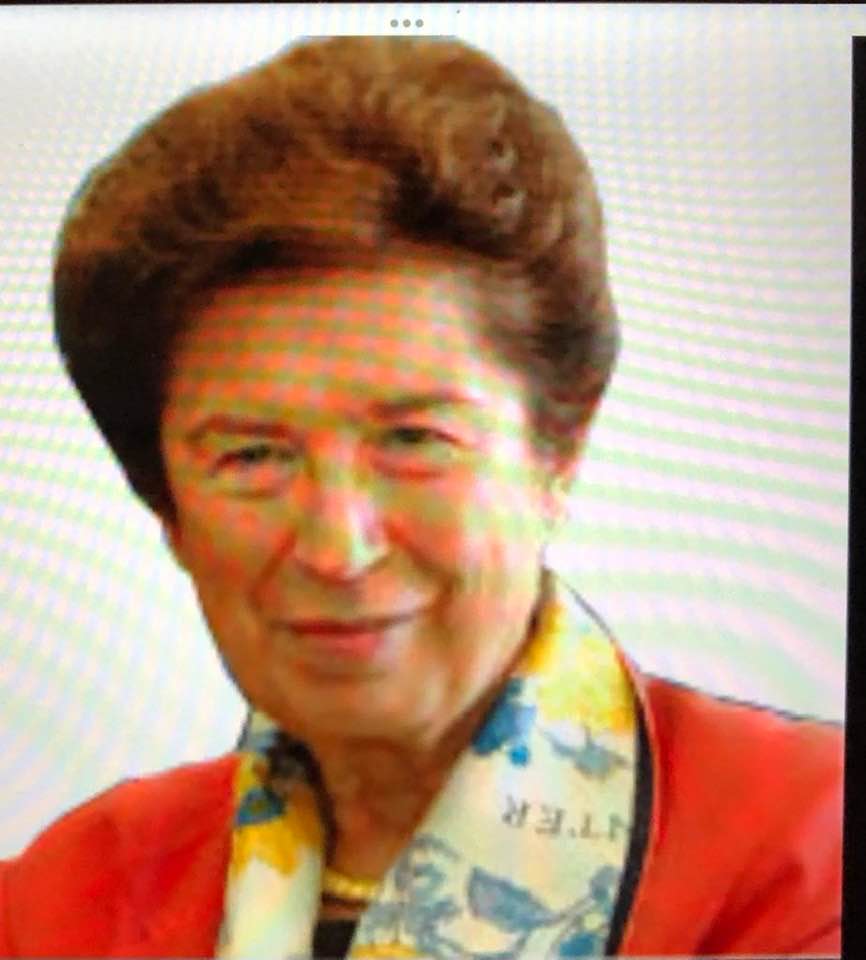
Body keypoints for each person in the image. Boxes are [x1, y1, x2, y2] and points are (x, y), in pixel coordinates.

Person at [0, 34, 842, 959]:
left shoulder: (809, 852)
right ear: (167, 507)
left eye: (413, 440)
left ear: (557, 450)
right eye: (252, 456)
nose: (338, 548)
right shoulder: (62, 900)